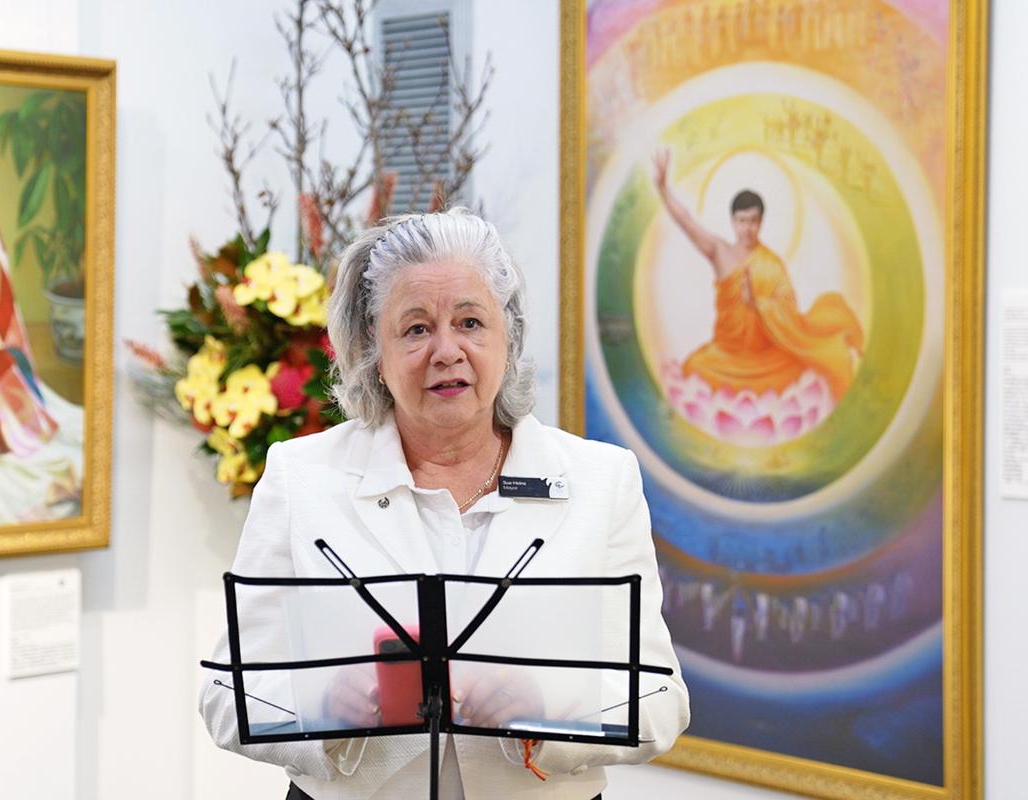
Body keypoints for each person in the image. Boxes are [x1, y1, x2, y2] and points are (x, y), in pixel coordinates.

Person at [200, 209, 689, 799]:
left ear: (507, 339)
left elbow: (661, 702)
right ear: (373, 356)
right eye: (415, 329)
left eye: (470, 321)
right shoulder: (301, 479)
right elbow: (227, 697)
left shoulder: (600, 481)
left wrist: (545, 716)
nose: (447, 350)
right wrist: (322, 712)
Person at [651, 148, 864, 401]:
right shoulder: (720, 252)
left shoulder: (772, 264)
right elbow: (687, 222)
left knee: (799, 369)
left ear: (761, 222)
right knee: (695, 368)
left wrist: (759, 304)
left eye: (753, 221)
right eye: (741, 221)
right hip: (725, 358)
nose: (747, 228)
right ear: (732, 222)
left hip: (767, 359)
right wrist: (663, 188)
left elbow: (789, 310)